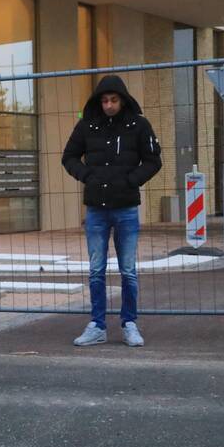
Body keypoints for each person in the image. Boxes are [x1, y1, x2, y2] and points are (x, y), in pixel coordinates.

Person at [62, 75, 162, 347]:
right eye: (104, 100)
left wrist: (132, 180)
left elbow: (154, 160)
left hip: (126, 208)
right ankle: (97, 325)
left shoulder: (139, 125)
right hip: (96, 209)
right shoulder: (87, 125)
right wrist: (86, 176)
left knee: (128, 269)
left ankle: (129, 323)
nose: (108, 105)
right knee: (96, 269)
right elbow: (68, 156)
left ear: (122, 99)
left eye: (113, 100)